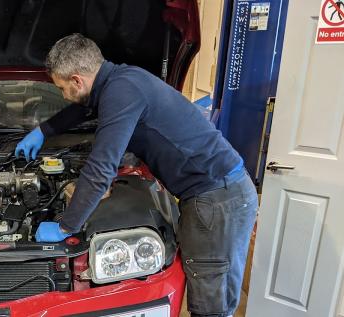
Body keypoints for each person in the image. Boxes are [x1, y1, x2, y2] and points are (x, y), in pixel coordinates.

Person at [14, 34, 258, 317]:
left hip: (217, 199)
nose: (64, 95)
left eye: (62, 88)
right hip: (217, 192)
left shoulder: (120, 92)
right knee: (213, 289)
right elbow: (83, 110)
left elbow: (101, 166)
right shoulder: (121, 81)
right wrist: (43, 131)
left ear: (77, 80)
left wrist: (66, 227)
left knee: (210, 301)